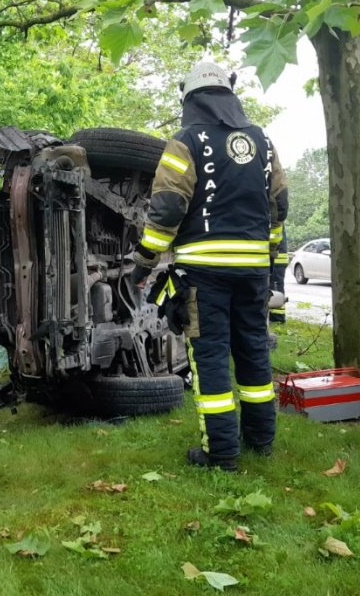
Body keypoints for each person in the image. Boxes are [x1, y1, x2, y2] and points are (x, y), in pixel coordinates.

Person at [129, 61, 288, 472]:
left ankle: (221, 454)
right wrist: (268, 260)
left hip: (204, 275)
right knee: (254, 351)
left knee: (212, 357)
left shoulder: (186, 141)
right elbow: (279, 206)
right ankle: (261, 441)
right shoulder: (263, 141)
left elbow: (168, 207)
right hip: (253, 272)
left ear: (191, 99)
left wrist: (145, 260)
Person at [269, 223, 289, 323]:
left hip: (277, 258)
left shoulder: (275, 222)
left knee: (276, 287)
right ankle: (275, 315)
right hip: (275, 257)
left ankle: (278, 317)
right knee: (274, 287)